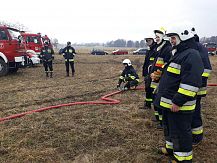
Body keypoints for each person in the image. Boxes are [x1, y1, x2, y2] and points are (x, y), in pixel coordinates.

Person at [153, 26, 204, 162]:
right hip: (170, 104)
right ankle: (171, 149)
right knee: (170, 128)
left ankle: (183, 159)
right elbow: (174, 76)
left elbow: (191, 83)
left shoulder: (191, 55)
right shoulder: (179, 53)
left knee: (181, 132)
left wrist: (178, 101)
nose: (171, 41)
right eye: (170, 38)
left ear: (184, 37)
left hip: (179, 105)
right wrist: (159, 74)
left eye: (173, 38)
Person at [188, 28, 212, 146]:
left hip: (197, 87)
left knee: (194, 111)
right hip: (193, 85)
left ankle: (197, 137)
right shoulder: (195, 46)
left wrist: (196, 82)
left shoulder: (197, 47)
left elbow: (206, 69)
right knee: (192, 110)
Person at [150, 28, 172, 127]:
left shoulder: (167, 49)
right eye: (155, 37)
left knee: (160, 100)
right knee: (155, 99)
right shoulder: (160, 48)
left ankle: (163, 122)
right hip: (156, 78)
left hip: (161, 79)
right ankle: (159, 119)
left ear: (164, 37)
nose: (156, 38)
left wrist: (159, 74)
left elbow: (167, 65)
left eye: (158, 37)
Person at [141, 34, 157, 109]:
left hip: (153, 73)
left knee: (152, 89)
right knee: (147, 88)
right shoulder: (149, 50)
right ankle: (148, 104)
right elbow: (146, 63)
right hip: (147, 73)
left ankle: (153, 104)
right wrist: (144, 73)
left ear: (153, 40)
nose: (147, 42)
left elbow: (153, 64)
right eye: (147, 41)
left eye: (149, 40)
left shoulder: (156, 50)